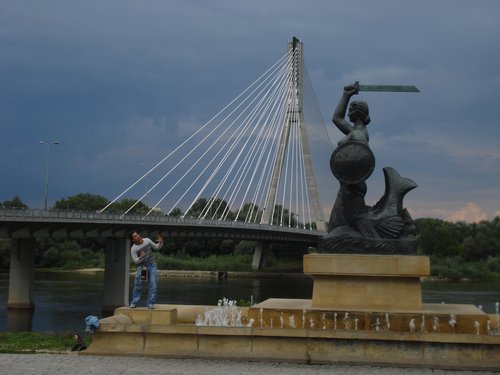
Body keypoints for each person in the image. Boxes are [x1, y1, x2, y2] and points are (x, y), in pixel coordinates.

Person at [129, 231, 163, 309]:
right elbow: (135, 261)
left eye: (137, 234)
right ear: (133, 239)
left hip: (152, 265)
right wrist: (140, 257)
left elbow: (156, 247)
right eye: (135, 236)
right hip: (142, 267)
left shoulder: (147, 240)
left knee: (153, 285)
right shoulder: (133, 249)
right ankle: (134, 302)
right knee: (138, 284)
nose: (137, 236)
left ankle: (150, 303)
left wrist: (160, 242)